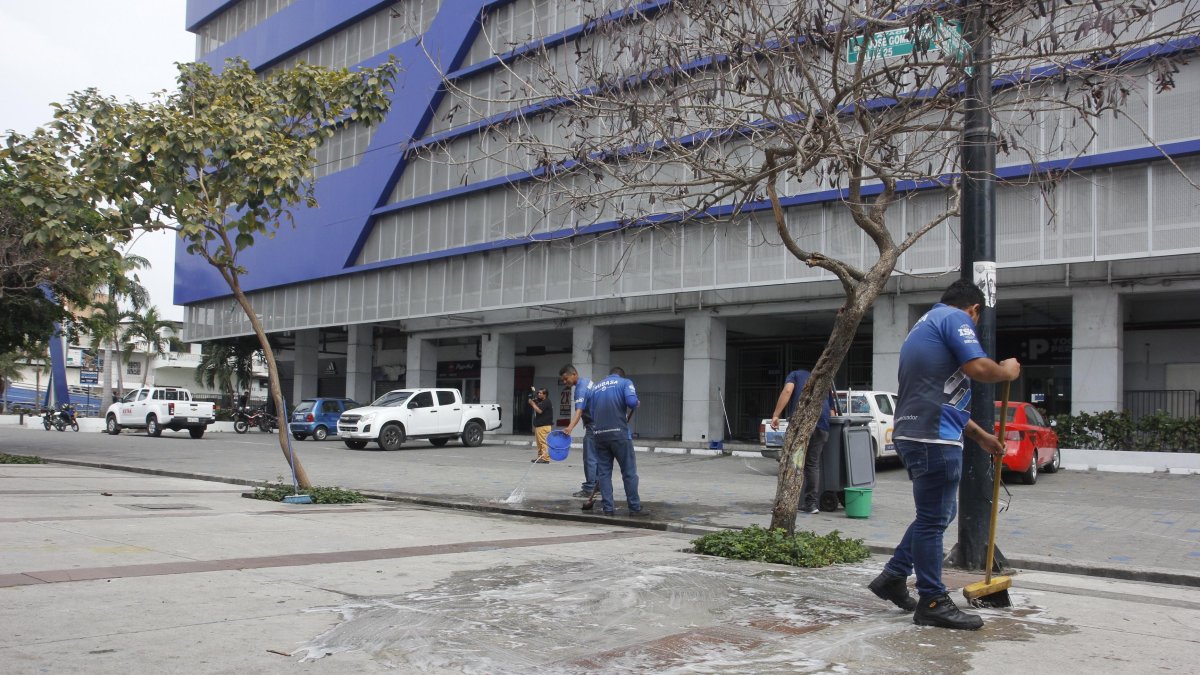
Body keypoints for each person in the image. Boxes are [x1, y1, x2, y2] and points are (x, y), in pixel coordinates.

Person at [868, 279, 1020, 631]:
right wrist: (1007, 371)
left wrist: (982, 437)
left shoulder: (925, 326)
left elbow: (940, 397)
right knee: (934, 520)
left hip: (920, 431)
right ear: (974, 310)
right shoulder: (955, 319)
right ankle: (933, 601)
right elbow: (979, 369)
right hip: (932, 438)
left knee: (935, 515)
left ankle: (893, 577)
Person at [769, 368, 836, 515]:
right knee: (812, 464)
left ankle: (787, 501)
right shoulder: (824, 380)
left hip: (803, 425)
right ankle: (811, 504)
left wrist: (776, 414)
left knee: (794, 462)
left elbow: (787, 391)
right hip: (822, 426)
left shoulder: (795, 375)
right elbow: (832, 412)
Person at [584, 366, 642, 516]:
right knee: (629, 472)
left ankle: (608, 508)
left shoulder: (596, 388)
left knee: (604, 474)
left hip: (599, 436)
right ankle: (635, 508)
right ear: (621, 376)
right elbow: (631, 402)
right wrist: (636, 403)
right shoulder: (625, 383)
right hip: (619, 435)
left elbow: (590, 412)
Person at [559, 364, 596, 497]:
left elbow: (579, 411)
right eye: (562, 380)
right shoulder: (587, 381)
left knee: (589, 457)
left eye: (566, 379)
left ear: (574, 374)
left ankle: (590, 488)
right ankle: (599, 486)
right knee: (598, 458)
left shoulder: (580, 389)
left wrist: (569, 428)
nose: (564, 382)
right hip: (601, 424)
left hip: (593, 426)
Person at [527, 387, 553, 463]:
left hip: (544, 426)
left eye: (540, 393)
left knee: (543, 443)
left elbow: (539, 411)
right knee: (539, 444)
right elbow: (535, 401)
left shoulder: (546, 402)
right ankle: (540, 457)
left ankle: (545, 458)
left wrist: (532, 404)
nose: (538, 394)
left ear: (545, 395)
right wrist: (532, 398)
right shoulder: (541, 401)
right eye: (538, 393)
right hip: (539, 426)